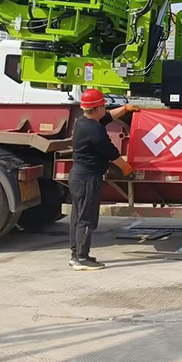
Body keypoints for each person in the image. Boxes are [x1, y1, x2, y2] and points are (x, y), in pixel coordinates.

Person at [69, 89, 138, 271]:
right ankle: (82, 259)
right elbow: (111, 152)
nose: (106, 108)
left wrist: (125, 109)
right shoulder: (94, 130)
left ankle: (76, 255)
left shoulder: (84, 122)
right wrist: (125, 166)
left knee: (78, 217)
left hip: (78, 176)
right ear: (96, 108)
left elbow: (106, 117)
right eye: (103, 106)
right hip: (88, 178)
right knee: (87, 219)